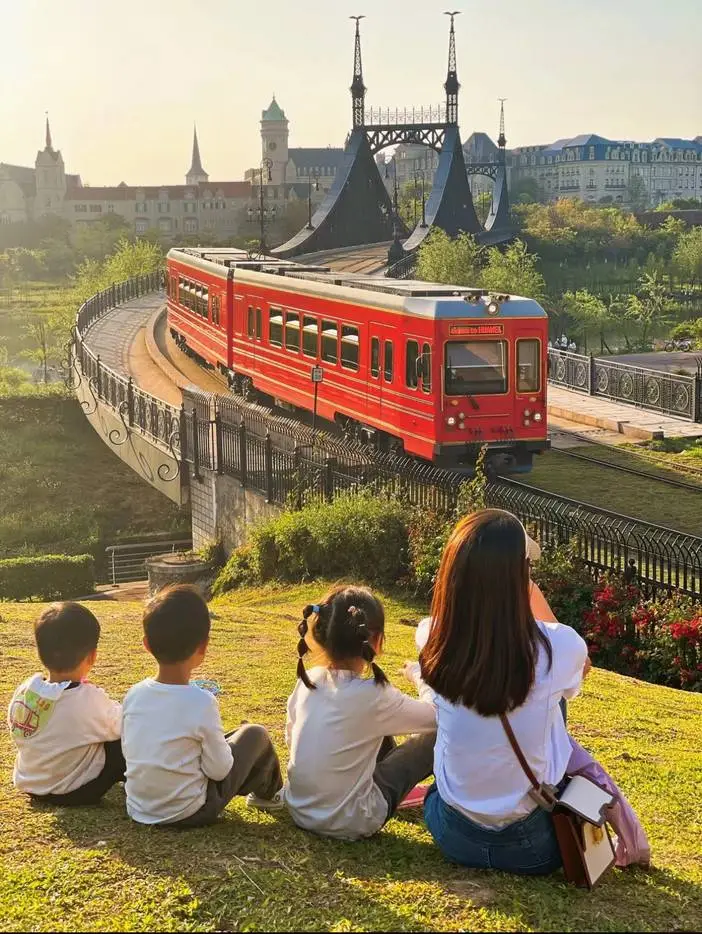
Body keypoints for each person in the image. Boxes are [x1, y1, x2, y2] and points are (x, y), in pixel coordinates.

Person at [419, 509, 649, 875]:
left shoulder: (430, 636)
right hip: (534, 850)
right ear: (520, 575)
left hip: (452, 835)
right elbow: (567, 674)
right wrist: (523, 585)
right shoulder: (560, 647)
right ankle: (626, 827)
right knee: (553, 708)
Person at [122, 584, 283, 827]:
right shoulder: (201, 702)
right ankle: (269, 794)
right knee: (254, 734)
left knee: (224, 740)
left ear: (146, 644)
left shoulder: (133, 694)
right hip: (189, 811)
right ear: (203, 646)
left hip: (138, 807)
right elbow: (219, 771)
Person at [285, 585, 437, 840]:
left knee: (371, 728)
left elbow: (291, 738)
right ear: (376, 641)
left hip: (299, 809)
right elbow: (436, 716)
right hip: (351, 820)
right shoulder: (373, 696)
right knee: (432, 738)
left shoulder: (308, 679)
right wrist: (419, 677)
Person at [7, 602, 124, 806]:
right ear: (92, 656)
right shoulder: (88, 699)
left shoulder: (26, 690)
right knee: (120, 742)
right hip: (72, 791)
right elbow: (123, 723)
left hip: (31, 784)